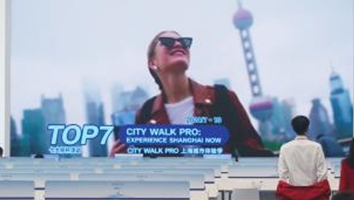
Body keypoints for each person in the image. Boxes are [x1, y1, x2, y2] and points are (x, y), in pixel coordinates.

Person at [111, 30, 268, 158]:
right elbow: (144, 170)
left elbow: (255, 155)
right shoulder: (146, 113)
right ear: (153, 63)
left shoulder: (222, 98)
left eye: (184, 42)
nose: (178, 43)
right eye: (167, 42)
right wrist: (117, 163)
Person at [276, 115, 331, 200]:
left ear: (293, 129)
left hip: (292, 196)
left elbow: (282, 175)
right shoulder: (316, 147)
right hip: (314, 196)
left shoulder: (285, 148)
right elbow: (322, 174)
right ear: (307, 128)